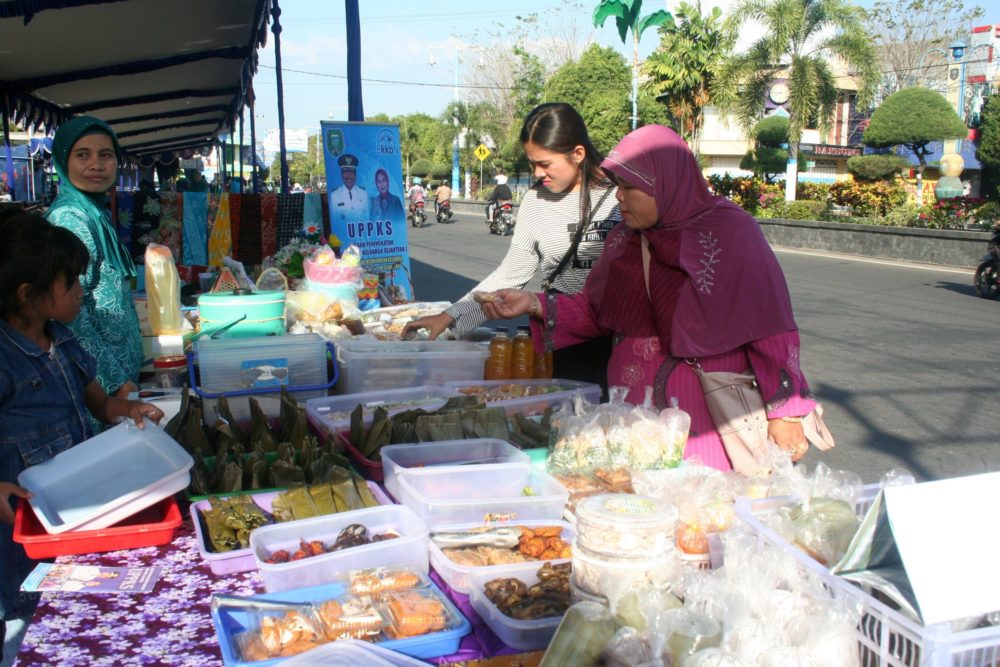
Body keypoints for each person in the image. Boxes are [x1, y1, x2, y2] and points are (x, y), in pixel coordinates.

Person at [483, 125, 817, 471]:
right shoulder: (625, 241)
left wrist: (786, 413)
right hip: (635, 422)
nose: (619, 197)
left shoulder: (730, 234)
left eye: (630, 187)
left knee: (702, 511)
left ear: (665, 182)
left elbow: (769, 326)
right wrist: (534, 303)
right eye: (617, 187)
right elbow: (598, 312)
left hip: (706, 423)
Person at [0, 210, 163, 634]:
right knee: (28, 617)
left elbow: (100, 404)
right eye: (70, 284)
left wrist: (125, 409)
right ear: (27, 295)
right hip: (23, 521)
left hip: (78, 503)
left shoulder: (64, 338)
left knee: (75, 602)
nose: (80, 294)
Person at [403, 103, 620, 391]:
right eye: (532, 164)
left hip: (622, 343)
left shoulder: (622, 196)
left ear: (578, 154)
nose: (537, 173)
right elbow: (511, 274)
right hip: (566, 343)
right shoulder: (535, 201)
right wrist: (450, 316)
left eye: (545, 163)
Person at [47, 116, 143, 402]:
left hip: (113, 383)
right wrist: (115, 383)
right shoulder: (70, 219)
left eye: (106, 155)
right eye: (82, 155)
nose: (96, 165)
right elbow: (69, 316)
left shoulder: (92, 212)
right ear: (64, 160)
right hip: (99, 392)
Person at [329, 153, 368, 224]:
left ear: (355, 175)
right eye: (345, 172)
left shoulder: (364, 193)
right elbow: (334, 222)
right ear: (341, 174)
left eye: (352, 172)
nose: (348, 176)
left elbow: (367, 218)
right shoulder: (334, 195)